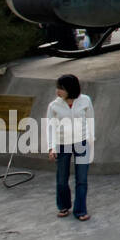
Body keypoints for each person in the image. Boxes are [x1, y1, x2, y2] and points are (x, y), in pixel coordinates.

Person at [48, 74, 94, 220]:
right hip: (62, 145)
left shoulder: (85, 100)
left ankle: (80, 210)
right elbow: (50, 127)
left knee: (81, 179)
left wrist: (91, 140)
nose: (57, 91)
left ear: (70, 88)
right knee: (62, 179)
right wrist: (51, 147)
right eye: (57, 88)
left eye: (61, 88)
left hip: (81, 143)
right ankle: (63, 206)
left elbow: (90, 120)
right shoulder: (54, 105)